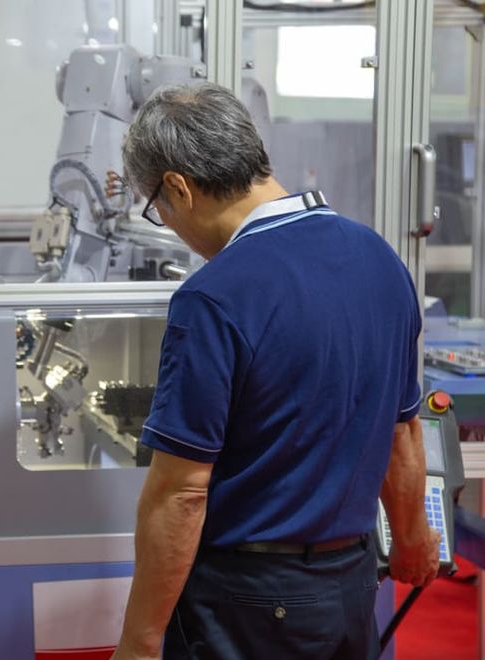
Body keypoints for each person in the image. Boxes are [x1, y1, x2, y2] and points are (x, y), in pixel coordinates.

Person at [111, 83, 441, 659]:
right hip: (351, 586)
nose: (168, 223)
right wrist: (411, 536)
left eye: (157, 210)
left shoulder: (213, 297)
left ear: (178, 188)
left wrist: (139, 644)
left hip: (247, 604)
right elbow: (402, 429)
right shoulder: (379, 259)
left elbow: (181, 494)